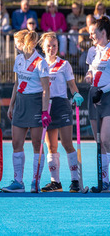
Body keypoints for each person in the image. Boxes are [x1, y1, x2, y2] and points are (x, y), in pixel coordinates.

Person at [2, 30, 51, 193]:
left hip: (35, 103)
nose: (15, 45)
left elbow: (46, 89)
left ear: (24, 43)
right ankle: (18, 182)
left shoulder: (40, 62)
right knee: (16, 143)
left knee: (37, 144)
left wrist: (45, 111)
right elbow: (17, 84)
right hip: (21, 103)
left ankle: (35, 181)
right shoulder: (18, 59)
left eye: (17, 42)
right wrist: (11, 105)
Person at [38, 32, 84, 192]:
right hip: (47, 106)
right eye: (48, 46)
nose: (51, 48)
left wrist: (76, 94)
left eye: (54, 46)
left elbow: (72, 85)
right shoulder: (40, 64)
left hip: (61, 104)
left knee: (67, 143)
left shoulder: (64, 64)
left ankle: (75, 181)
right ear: (43, 47)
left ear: (58, 47)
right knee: (51, 146)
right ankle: (55, 182)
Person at [84, 16, 110, 192]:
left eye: (93, 33)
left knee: (106, 139)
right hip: (93, 96)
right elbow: (90, 70)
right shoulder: (92, 51)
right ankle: (104, 181)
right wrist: (88, 76)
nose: (91, 36)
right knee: (98, 141)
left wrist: (103, 91)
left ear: (103, 33)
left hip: (107, 96)